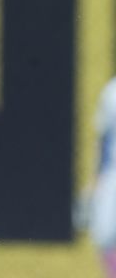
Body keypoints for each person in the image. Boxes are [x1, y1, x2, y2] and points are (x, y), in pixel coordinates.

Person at [89, 76, 116, 276]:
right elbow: (103, 143)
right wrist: (94, 185)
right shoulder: (112, 91)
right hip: (113, 179)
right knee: (106, 237)